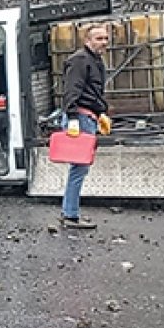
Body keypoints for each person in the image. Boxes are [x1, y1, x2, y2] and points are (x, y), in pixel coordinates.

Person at [59, 25, 112, 229]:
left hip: (87, 116)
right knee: (79, 169)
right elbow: (72, 89)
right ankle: (70, 215)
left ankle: (69, 212)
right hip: (80, 118)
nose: (104, 42)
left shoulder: (94, 60)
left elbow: (92, 91)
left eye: (106, 38)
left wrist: (100, 112)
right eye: (99, 38)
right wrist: (72, 117)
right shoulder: (80, 60)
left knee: (80, 169)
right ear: (87, 40)